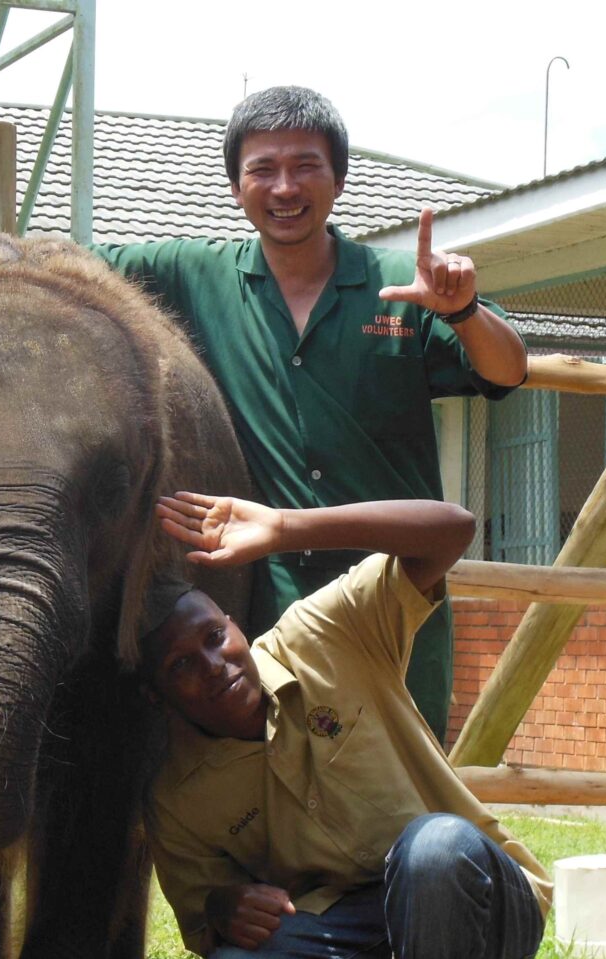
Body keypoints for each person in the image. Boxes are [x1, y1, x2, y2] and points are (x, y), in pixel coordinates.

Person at [94, 85, 528, 742]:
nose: (284, 187)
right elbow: (70, 270)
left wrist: (463, 311)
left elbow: (508, 372)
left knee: (401, 795)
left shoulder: (398, 286)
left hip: (394, 591)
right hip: (262, 601)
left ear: (340, 179)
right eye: (262, 170)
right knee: (271, 789)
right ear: (235, 187)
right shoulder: (191, 274)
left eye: (305, 166)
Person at [140, 489, 550, 959]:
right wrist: (224, 906)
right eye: (182, 666)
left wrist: (284, 529)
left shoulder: (326, 633)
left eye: (215, 638)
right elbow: (207, 929)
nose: (214, 666)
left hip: (481, 914)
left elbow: (454, 528)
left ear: (234, 624)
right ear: (157, 696)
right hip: (357, 939)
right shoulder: (177, 795)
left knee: (436, 845)